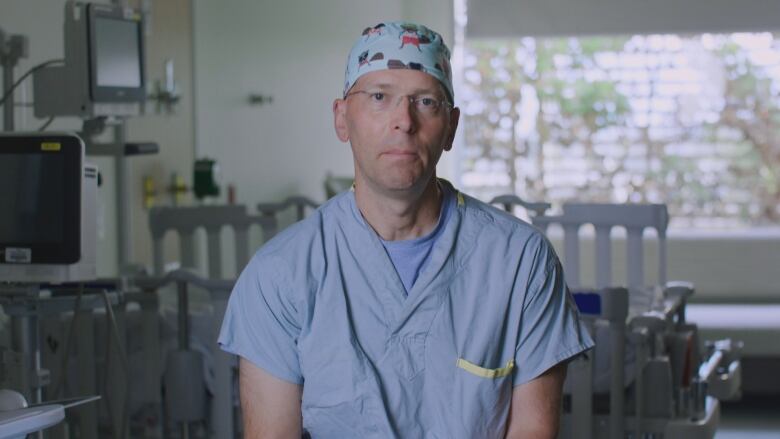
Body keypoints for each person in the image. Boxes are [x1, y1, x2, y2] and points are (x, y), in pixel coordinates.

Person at [219, 21, 594, 438]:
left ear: (451, 127)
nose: (404, 121)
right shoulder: (280, 275)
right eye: (380, 97)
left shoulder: (520, 263)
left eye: (426, 102)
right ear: (342, 118)